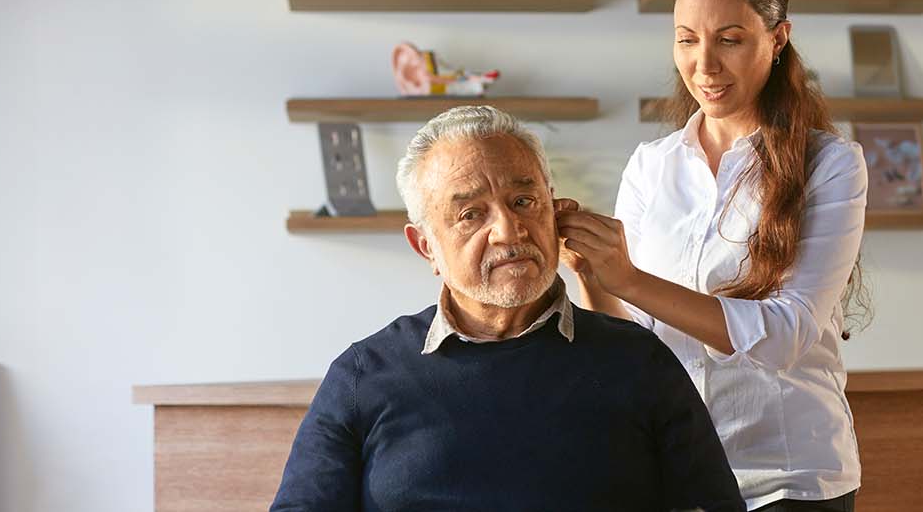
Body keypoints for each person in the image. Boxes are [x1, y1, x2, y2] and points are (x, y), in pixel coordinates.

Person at [270, 105, 744, 512]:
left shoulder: (639, 361)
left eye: (523, 201)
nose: (508, 230)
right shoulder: (362, 375)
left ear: (556, 211)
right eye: (471, 214)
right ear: (426, 247)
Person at [556, 0, 868, 512]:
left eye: (729, 39)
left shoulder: (832, 163)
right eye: (686, 39)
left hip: (789, 480)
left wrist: (626, 277)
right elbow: (638, 344)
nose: (705, 65)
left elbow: (785, 334)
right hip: (676, 475)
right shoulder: (652, 165)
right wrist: (593, 278)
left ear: (777, 39)